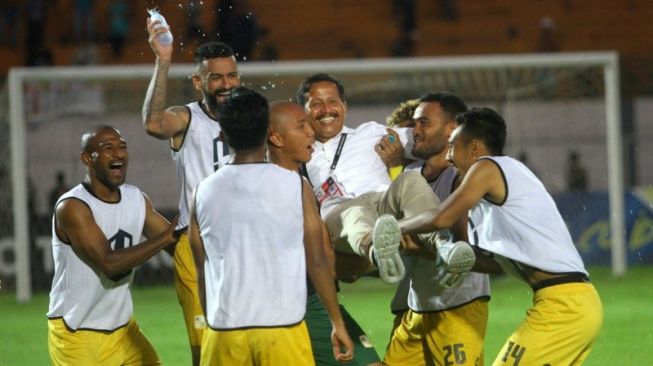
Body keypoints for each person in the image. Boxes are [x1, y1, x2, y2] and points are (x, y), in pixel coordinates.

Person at [396, 107, 603, 365]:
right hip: (569, 303)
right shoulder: (501, 190)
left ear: (473, 148)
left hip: (565, 307)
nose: (449, 157)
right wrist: (438, 253)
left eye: (453, 146)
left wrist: (397, 227)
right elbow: (497, 266)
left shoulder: (487, 167)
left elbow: (441, 217)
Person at [189, 88, 354, 365]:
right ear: (267, 132)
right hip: (282, 330)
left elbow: (202, 269)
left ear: (223, 135)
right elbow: (317, 260)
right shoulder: (294, 185)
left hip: (224, 332)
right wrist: (336, 322)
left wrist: (213, 321)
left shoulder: (201, 192)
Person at [297, 73, 475, 284]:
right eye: (316, 104)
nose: (326, 110)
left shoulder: (372, 132)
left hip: (385, 206)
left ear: (344, 106)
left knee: (409, 180)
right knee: (355, 213)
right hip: (340, 215)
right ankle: (379, 254)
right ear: (303, 111)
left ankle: (444, 247)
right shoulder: (297, 152)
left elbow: (434, 140)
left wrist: (401, 159)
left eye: (332, 102)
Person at [144, 16, 241, 363]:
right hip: (196, 244)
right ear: (199, 80)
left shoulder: (251, 118)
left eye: (232, 76)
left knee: (253, 335)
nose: (226, 84)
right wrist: (163, 60)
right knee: (205, 346)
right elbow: (153, 124)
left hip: (245, 240)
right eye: (217, 77)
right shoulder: (187, 118)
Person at [47, 125, 178, 365]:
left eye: (122, 147)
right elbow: (109, 263)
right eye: (108, 148)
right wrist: (166, 238)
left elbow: (178, 246)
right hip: (78, 335)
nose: (118, 154)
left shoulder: (136, 199)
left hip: (123, 330)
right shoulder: (73, 207)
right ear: (87, 158)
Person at [268, 100, 382, 366]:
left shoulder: (296, 180)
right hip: (303, 305)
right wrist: (336, 321)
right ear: (276, 137)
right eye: (301, 126)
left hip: (305, 301)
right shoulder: (288, 184)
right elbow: (319, 260)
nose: (310, 133)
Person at [383, 92, 491, 366]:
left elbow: (467, 251)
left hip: (457, 307)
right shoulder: (411, 177)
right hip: (418, 306)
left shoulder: (462, 179)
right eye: (415, 124)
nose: (414, 131)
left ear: (451, 130)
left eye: (423, 124)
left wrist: (412, 243)